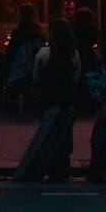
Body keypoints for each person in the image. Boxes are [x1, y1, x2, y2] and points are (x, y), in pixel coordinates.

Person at [32, 20, 82, 180]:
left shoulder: (44, 53)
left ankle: (47, 165)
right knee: (66, 134)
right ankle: (62, 167)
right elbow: (76, 77)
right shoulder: (74, 54)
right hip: (66, 98)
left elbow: (36, 77)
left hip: (48, 98)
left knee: (47, 133)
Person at [4, 3, 44, 101]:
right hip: (35, 69)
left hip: (19, 70)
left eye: (18, 14)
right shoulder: (39, 33)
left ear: (22, 17)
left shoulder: (17, 33)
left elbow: (10, 54)